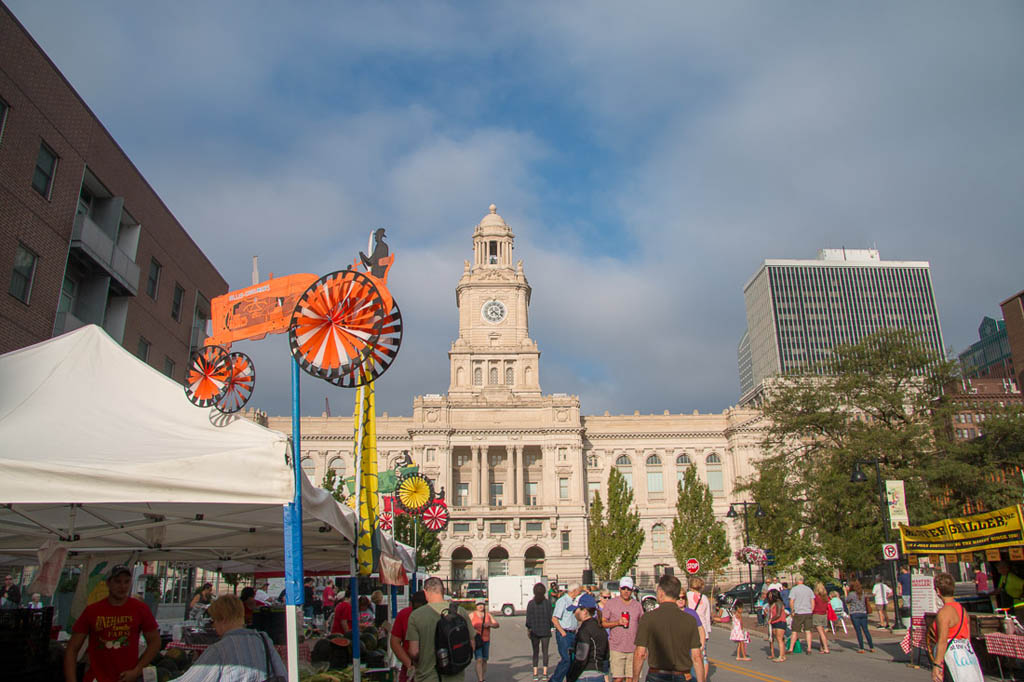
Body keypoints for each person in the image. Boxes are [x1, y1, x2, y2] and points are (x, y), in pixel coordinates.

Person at [64, 564, 160, 682]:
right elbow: (72, 649)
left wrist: (137, 670)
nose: (122, 586)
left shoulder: (140, 609)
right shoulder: (92, 611)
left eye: (126, 581)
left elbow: (155, 642)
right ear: (108, 583)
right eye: (118, 581)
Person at [173, 594, 286, 681]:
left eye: (213, 620)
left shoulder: (219, 650)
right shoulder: (263, 639)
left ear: (222, 619)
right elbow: (282, 675)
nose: (213, 625)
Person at [632, 574, 704, 682]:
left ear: (661, 593)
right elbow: (697, 656)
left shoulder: (648, 618)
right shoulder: (690, 620)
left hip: (656, 675)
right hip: (682, 675)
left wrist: (635, 679)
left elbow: (640, 653)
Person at [406, 576, 475, 682]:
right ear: (443, 591)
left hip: (427, 677)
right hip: (455, 676)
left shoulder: (416, 616)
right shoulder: (460, 612)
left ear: (425, 592)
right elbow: (472, 645)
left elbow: (414, 652)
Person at [931, 572, 984, 682]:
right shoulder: (963, 610)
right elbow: (967, 637)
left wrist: (937, 665)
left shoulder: (944, 613)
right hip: (964, 656)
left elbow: (942, 641)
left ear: (938, 591)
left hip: (950, 659)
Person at [600, 576, 644, 682]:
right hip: (616, 647)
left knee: (631, 678)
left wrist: (643, 647)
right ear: (619, 589)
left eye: (628, 589)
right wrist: (617, 622)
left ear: (632, 590)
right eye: (624, 588)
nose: (626, 591)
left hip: (633, 648)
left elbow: (643, 626)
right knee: (618, 679)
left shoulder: (637, 605)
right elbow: (603, 623)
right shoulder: (611, 603)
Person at [567, 593, 610, 682]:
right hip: (599, 675)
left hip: (585, 676)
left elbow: (581, 657)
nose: (574, 613)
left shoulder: (584, 630)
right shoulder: (600, 628)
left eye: (575, 610)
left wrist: (571, 677)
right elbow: (606, 656)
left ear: (584, 611)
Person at [390, 590, 427, 682]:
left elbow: (395, 642)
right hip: (411, 667)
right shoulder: (404, 614)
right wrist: (409, 664)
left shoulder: (434, 616)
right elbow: (394, 642)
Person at [550, 583, 583, 682]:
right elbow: (554, 619)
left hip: (573, 633)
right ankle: (555, 680)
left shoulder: (574, 602)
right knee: (566, 659)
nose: (579, 593)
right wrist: (562, 632)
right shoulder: (562, 601)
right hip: (564, 633)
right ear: (574, 591)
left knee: (573, 660)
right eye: (579, 591)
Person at [526, 582, 554, 682]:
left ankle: (535, 673)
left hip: (534, 631)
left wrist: (529, 628)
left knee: (535, 652)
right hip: (546, 630)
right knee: (545, 652)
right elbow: (551, 617)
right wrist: (551, 626)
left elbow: (528, 619)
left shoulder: (531, 603)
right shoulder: (547, 603)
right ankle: (545, 673)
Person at [685, 576, 711, 680]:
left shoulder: (686, 596)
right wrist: (708, 631)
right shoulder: (704, 598)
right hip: (703, 630)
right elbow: (707, 615)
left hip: (690, 629)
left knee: (690, 656)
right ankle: (703, 678)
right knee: (703, 657)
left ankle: (691, 677)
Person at [470, 599, 499, 682]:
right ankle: (480, 680)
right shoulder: (472, 615)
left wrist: (490, 624)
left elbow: (497, 624)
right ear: (476, 606)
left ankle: (482, 676)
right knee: (479, 659)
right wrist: (473, 631)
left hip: (486, 640)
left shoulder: (488, 615)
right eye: (478, 604)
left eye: (482, 604)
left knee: (484, 660)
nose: (480, 606)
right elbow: (466, 624)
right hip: (477, 640)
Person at [787, 576, 814, 656]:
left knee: (795, 631)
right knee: (808, 631)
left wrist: (792, 611)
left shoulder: (794, 589)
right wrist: (811, 609)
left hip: (798, 612)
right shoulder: (808, 589)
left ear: (796, 581)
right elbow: (812, 600)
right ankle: (809, 648)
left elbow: (791, 601)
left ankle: (791, 648)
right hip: (808, 611)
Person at [844, 579, 874, 653]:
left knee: (858, 631)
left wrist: (845, 592)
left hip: (855, 613)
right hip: (863, 613)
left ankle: (861, 648)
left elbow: (846, 600)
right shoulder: (862, 593)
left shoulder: (852, 594)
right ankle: (871, 646)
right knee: (866, 630)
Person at [767, 589, 787, 662]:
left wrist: (771, 620)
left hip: (780, 622)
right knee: (778, 639)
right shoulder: (773, 603)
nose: (770, 596)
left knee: (779, 639)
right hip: (775, 622)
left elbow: (778, 614)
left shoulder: (779, 602)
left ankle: (781, 656)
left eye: (771, 595)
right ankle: (783, 655)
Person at [811, 582, 831, 653]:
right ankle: (822, 647)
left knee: (821, 632)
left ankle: (825, 648)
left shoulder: (815, 597)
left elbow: (812, 605)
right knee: (822, 631)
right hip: (824, 614)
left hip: (817, 614)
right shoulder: (825, 597)